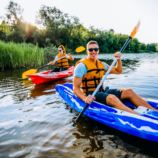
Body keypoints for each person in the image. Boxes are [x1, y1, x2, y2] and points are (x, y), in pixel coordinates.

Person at [73, 40, 155, 115]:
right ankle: (137, 115)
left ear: (98, 50)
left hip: (102, 91)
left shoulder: (102, 64)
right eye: (90, 50)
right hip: (90, 94)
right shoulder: (81, 66)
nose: (93, 51)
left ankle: (154, 111)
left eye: (95, 49)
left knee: (128, 91)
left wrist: (118, 60)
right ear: (87, 51)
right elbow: (75, 89)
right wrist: (85, 99)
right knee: (112, 97)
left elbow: (118, 71)